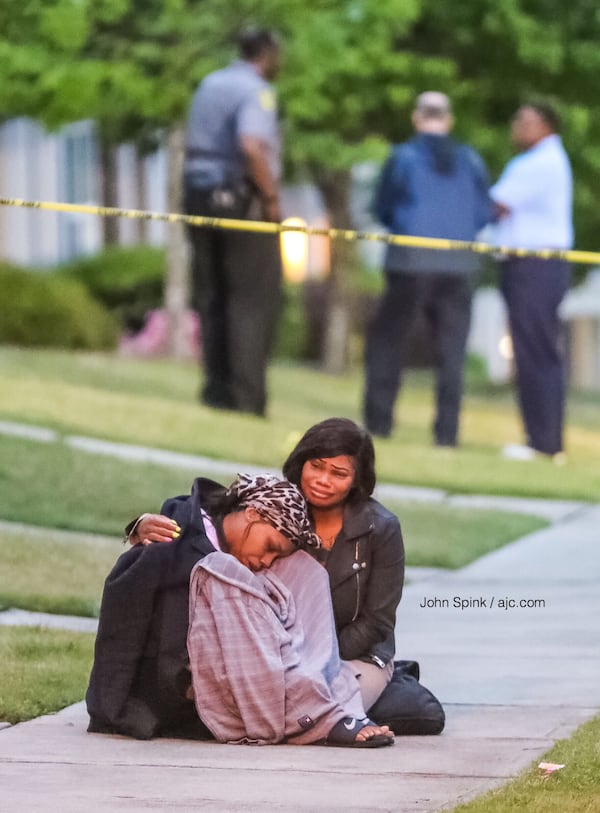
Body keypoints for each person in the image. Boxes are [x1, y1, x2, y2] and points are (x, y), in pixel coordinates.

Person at [132, 419, 445, 735]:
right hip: (271, 654)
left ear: (357, 480)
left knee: (308, 712)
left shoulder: (381, 529)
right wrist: (140, 525)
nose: (323, 480)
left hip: (348, 655)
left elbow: (376, 623)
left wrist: (310, 660)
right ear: (302, 462)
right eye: (317, 466)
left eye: (339, 474)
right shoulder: (277, 503)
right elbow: (206, 515)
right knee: (255, 706)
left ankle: (369, 693)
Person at [86, 473, 393, 748]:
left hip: (262, 670)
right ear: (252, 513)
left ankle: (320, 700)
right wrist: (112, 707)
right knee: (223, 571)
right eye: (270, 546)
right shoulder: (173, 540)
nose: (266, 560)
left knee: (304, 571)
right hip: (188, 683)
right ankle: (320, 715)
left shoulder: (241, 553)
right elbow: (121, 620)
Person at [363, 91, 492, 445]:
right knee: (452, 353)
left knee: (388, 343)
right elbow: (483, 212)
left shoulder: (403, 156)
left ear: (417, 118)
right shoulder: (471, 160)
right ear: (448, 120)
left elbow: (382, 206)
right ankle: (446, 435)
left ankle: (379, 425)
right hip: (460, 264)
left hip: (411, 260)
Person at [183, 28, 283, 416]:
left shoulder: (209, 83)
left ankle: (216, 391)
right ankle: (247, 399)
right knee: (250, 299)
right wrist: (271, 199)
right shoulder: (256, 91)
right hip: (239, 199)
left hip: (197, 195)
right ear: (268, 54)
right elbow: (251, 145)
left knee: (212, 296)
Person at [490, 103, 573, 462]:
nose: (516, 126)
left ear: (545, 126)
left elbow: (497, 205)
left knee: (535, 351)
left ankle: (543, 442)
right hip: (535, 265)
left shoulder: (539, 162)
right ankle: (543, 439)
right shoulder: (545, 160)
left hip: (535, 266)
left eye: (524, 121)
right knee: (536, 351)